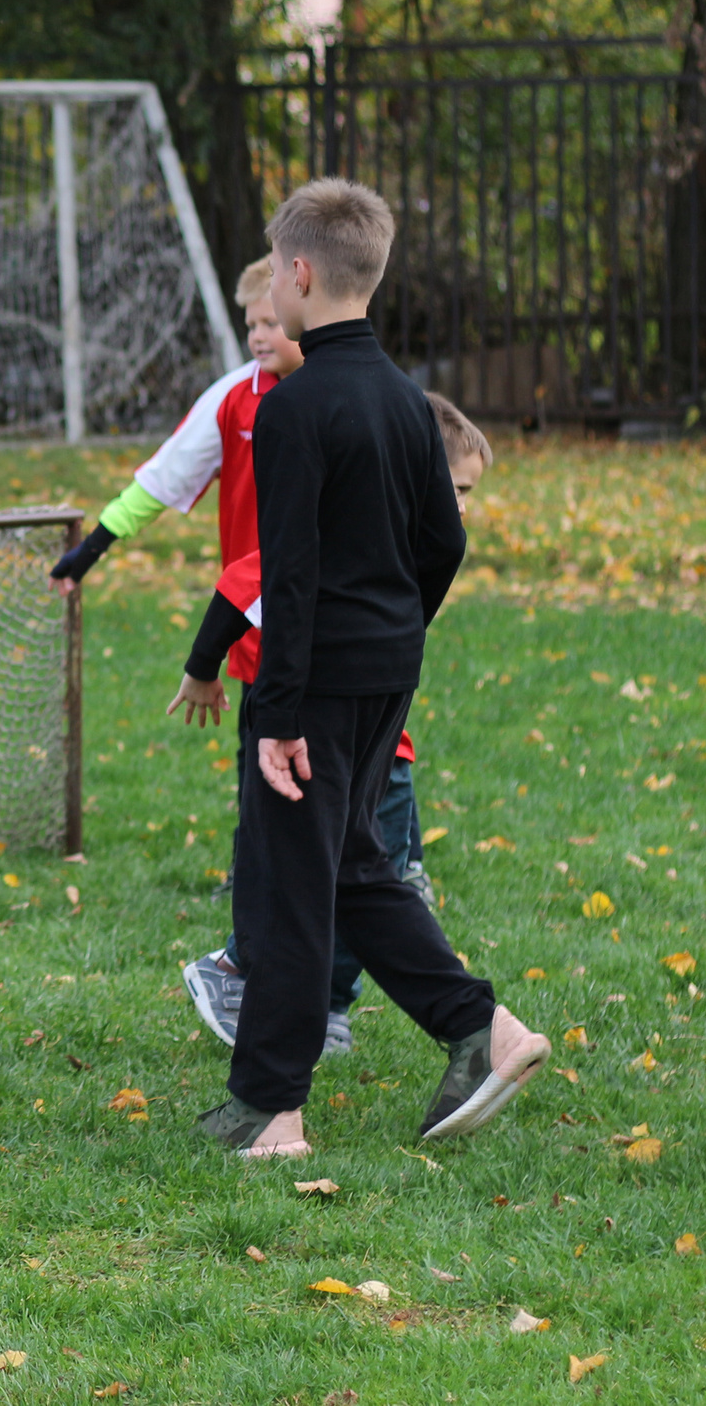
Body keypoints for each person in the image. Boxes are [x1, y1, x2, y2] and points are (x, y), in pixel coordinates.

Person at [196, 178, 546, 1161]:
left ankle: (279, 1110)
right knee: (340, 863)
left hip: (312, 682)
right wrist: (397, 623)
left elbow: (292, 576)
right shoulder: (405, 399)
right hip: (383, 667)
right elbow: (442, 541)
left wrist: (278, 711)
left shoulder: (297, 406)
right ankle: (477, 1032)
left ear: (297, 275)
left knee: (293, 880)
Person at [171, 391, 496, 1055]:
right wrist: (204, 668)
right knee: (331, 872)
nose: (460, 506)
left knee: (364, 871)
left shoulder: (416, 545)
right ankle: (240, 970)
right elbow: (243, 582)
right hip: (314, 727)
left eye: (466, 492)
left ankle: (329, 1007)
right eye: (454, 487)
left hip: (380, 743)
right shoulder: (333, 536)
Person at [51, 256, 298, 595]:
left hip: (334, 604)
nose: (258, 337)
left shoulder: (347, 390)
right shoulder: (232, 396)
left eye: (271, 323)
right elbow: (167, 472)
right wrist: (93, 546)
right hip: (252, 604)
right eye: (251, 325)